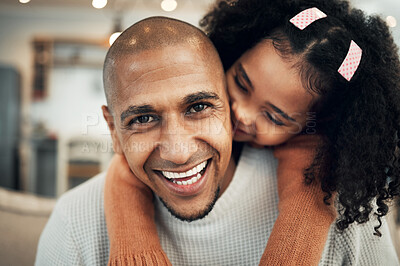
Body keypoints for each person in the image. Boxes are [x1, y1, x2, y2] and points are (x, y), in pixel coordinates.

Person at [35, 15, 399, 266]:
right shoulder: (75, 219)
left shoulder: (338, 196)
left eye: (198, 106)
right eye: (143, 118)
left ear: (315, 125)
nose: (242, 113)